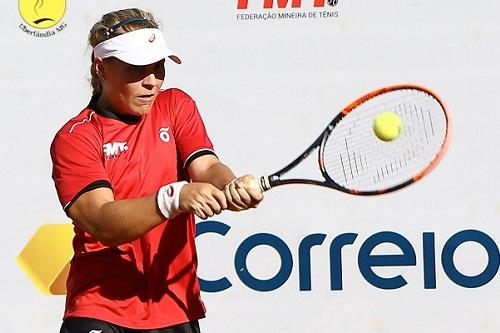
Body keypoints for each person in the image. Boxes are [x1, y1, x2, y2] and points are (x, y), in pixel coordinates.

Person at [50, 8, 263, 333]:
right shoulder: (76, 137)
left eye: (158, 67)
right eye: (136, 69)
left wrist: (231, 185)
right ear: (101, 67)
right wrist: (174, 198)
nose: (152, 81)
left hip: (175, 306)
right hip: (100, 308)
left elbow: (207, 167)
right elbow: (102, 222)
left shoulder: (176, 105)